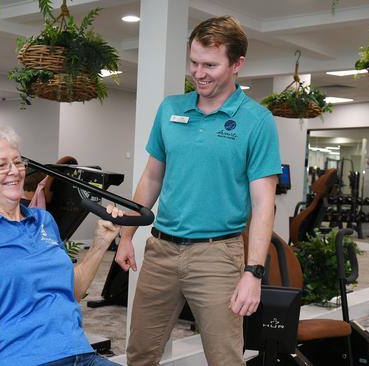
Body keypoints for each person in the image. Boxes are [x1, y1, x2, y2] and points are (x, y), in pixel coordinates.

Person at [115, 16, 281, 366]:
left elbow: (264, 204)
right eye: (193, 62)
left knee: (224, 358)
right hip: (160, 250)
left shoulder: (257, 120)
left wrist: (253, 273)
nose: (199, 73)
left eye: (210, 65)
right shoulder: (171, 109)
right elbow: (151, 179)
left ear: (237, 64)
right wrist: (127, 234)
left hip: (217, 256)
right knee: (140, 353)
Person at [0, 121, 123, 366]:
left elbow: (72, 291)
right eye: (1, 165)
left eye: (18, 162)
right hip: (22, 358)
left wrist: (100, 244)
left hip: (81, 354)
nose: (15, 171)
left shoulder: (44, 220)